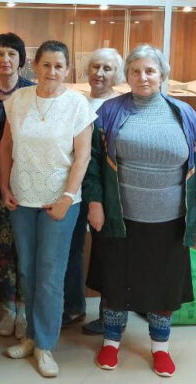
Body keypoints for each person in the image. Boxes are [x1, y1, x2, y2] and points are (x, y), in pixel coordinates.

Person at [83, 44, 196, 378]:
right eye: (136, 71)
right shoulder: (110, 112)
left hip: (170, 221)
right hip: (119, 218)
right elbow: (92, 163)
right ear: (127, 75)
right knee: (116, 282)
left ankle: (160, 348)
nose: (143, 77)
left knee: (162, 286)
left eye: (150, 71)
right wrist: (95, 202)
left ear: (162, 75)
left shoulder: (184, 113)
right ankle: (111, 342)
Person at [0, 40, 96, 378]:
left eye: (59, 66)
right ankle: (31, 336)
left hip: (60, 202)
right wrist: (4, 186)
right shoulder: (18, 100)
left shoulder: (78, 105)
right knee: (28, 270)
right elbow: (6, 145)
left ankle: (45, 345)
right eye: (46, 65)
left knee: (51, 275)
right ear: (35, 67)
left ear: (67, 69)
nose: (52, 71)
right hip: (22, 199)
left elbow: (83, 155)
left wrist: (68, 197)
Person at [61, 48, 124, 333]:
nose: (99, 73)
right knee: (71, 248)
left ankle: (110, 316)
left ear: (117, 74)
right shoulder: (77, 102)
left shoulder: (121, 105)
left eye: (107, 68)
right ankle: (73, 307)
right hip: (74, 186)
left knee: (108, 252)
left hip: (107, 191)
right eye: (95, 66)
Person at [0, 32, 34, 339]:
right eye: (0, 54)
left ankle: (24, 309)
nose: (6, 59)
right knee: (2, 249)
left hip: (28, 184)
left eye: (12, 53)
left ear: (21, 59)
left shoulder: (33, 93)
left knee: (25, 248)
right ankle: (8, 308)